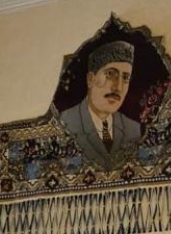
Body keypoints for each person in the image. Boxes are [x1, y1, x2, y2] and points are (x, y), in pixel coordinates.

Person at [57, 39, 142, 169]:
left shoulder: (133, 129)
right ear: (91, 79)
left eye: (125, 77)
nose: (118, 87)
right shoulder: (65, 123)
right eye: (111, 74)